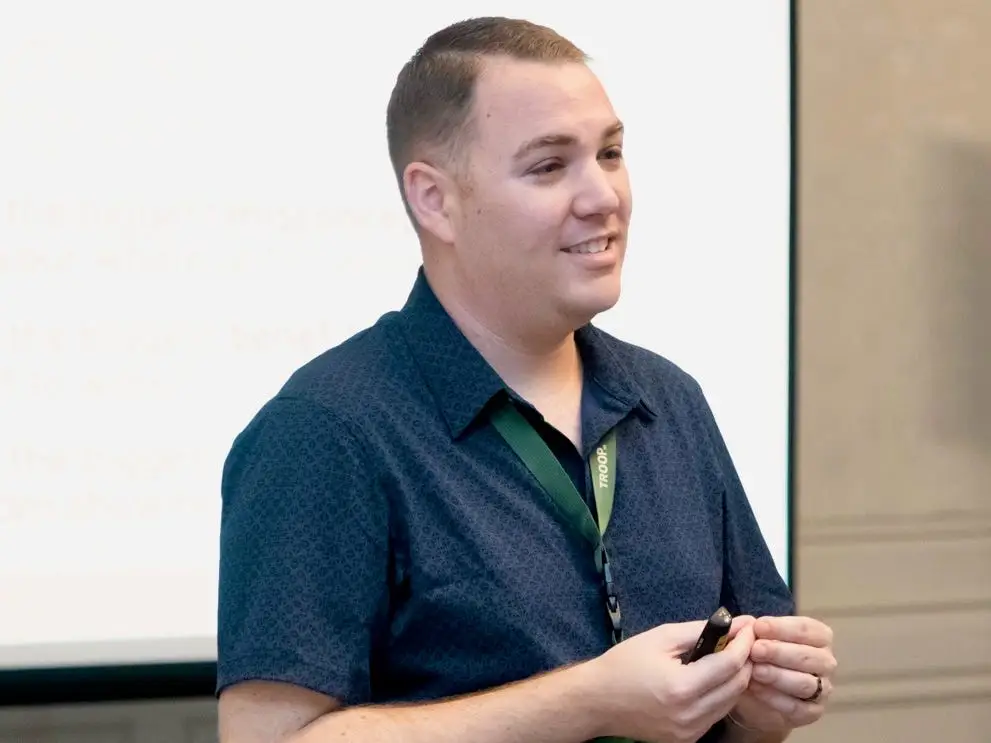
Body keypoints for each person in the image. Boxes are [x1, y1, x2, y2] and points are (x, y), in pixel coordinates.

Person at [215, 16, 836, 743]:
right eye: (549, 166)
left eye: (610, 153)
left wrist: (763, 704)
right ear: (434, 199)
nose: (602, 195)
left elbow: (744, 717)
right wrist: (587, 700)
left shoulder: (668, 400)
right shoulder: (326, 428)